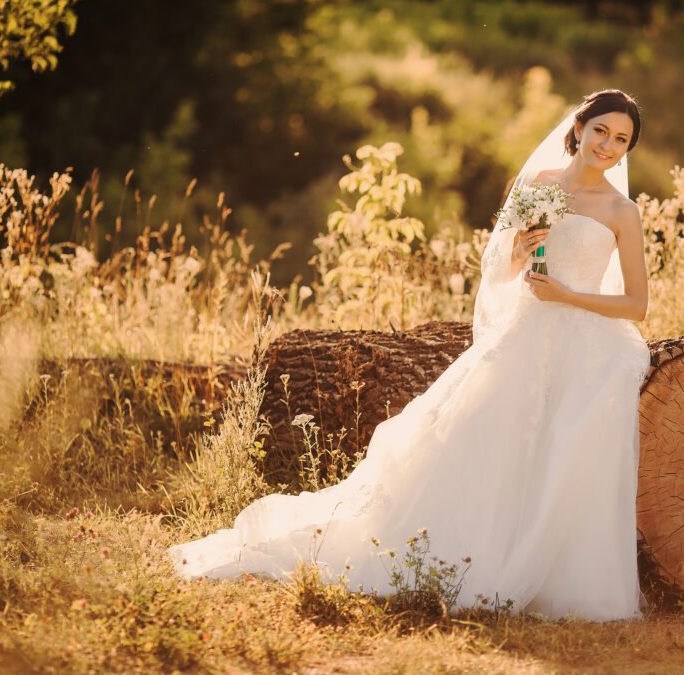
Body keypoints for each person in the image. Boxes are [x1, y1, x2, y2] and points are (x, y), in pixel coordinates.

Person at [168, 89, 652, 622]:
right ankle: (467, 551)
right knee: (482, 441)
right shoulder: (538, 186)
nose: (608, 144)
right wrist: (519, 252)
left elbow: (636, 304)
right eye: (601, 130)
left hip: (584, 344)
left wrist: (566, 295)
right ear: (580, 126)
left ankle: (554, 577)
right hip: (527, 334)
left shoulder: (621, 211)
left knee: (565, 451)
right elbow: (504, 268)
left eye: (621, 139)